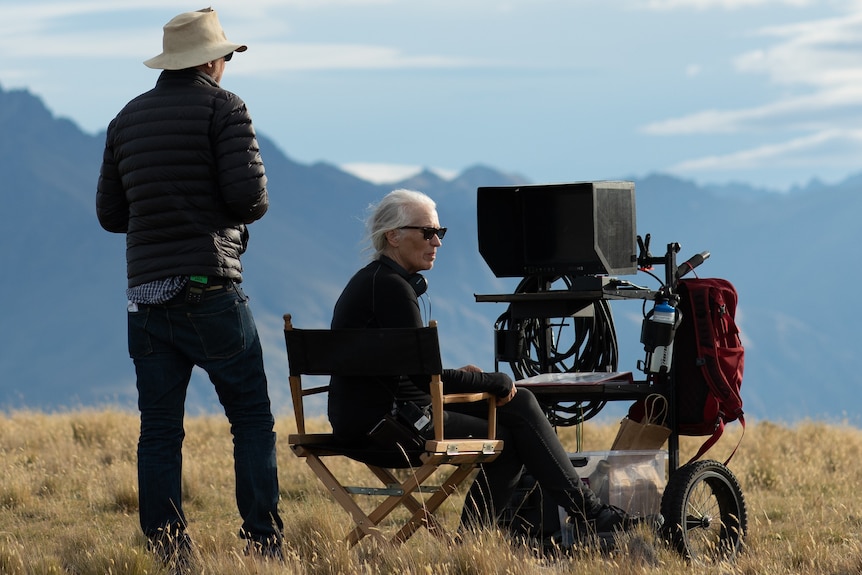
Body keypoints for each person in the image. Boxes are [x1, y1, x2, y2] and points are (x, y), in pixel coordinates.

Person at [329, 188, 651, 545]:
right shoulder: (392, 289)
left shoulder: (372, 281)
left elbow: (406, 371)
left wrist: (475, 380)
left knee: (520, 404)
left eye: (441, 232)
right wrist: (489, 380)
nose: (437, 242)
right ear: (393, 236)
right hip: (390, 428)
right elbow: (424, 377)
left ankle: (581, 514)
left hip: (370, 419)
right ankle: (505, 534)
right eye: (427, 232)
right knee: (509, 433)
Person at [96, 7, 283, 565]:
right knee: (250, 417)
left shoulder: (125, 119)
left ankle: (169, 551)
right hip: (210, 288)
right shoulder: (225, 108)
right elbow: (252, 198)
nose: (226, 64)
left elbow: (110, 214)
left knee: (159, 429)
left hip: (146, 296)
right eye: (225, 55)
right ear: (209, 60)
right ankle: (263, 544)